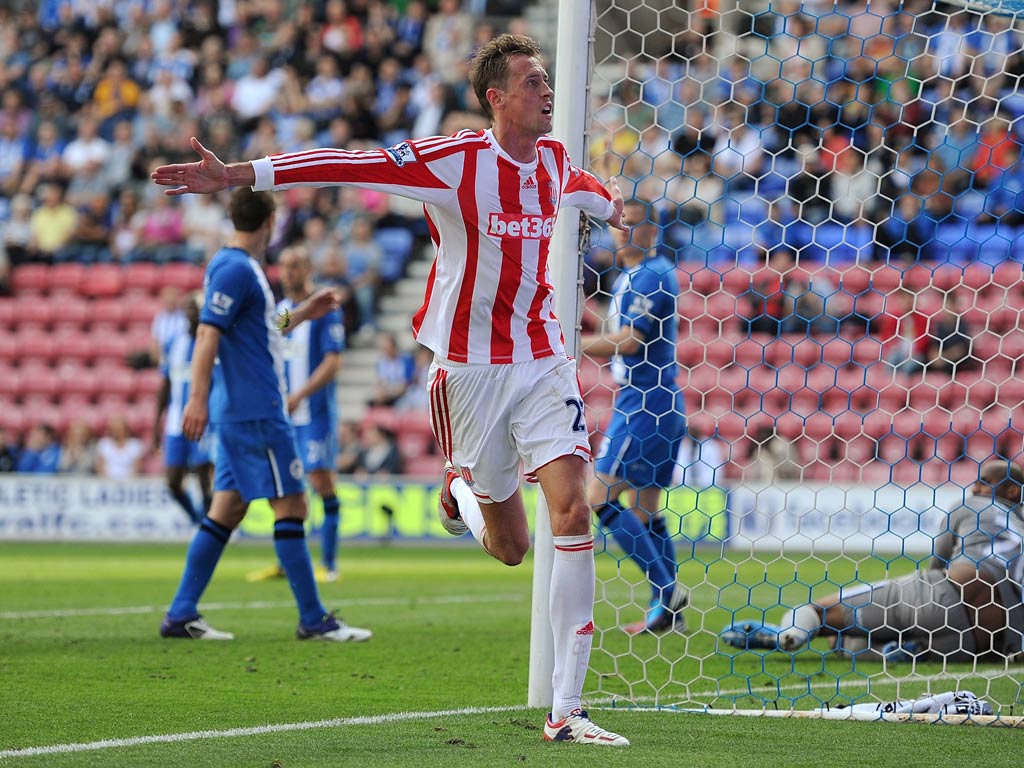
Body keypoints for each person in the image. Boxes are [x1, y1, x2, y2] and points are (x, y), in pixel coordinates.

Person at [152, 34, 627, 744]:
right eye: (532, 81)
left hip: (541, 362)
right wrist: (244, 174)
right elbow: (352, 161)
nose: (548, 90)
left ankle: (568, 710)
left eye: (547, 79)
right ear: (497, 99)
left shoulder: (555, 163)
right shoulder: (456, 162)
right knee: (510, 548)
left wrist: (618, 208)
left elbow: (591, 193)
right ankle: (457, 492)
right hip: (466, 372)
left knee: (573, 514)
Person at [158, 187, 370, 643]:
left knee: (226, 509)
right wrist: (196, 399)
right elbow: (208, 335)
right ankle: (313, 618)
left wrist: (302, 314)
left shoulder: (232, 266)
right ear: (270, 223)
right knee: (293, 503)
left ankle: (180, 613)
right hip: (256, 411)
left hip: (242, 410)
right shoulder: (237, 269)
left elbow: (258, 328)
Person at [722, 460, 1024, 663]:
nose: (975, 488)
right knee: (896, 641)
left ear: (1012, 490)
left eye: (983, 482)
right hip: (989, 643)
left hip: (948, 597)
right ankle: (903, 650)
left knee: (818, 613)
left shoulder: (972, 504)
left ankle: (788, 635)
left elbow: (939, 561)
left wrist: (929, 596)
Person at [580, 199, 687, 636]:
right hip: (658, 402)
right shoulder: (630, 276)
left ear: (651, 232)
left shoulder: (652, 275)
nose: (621, 232)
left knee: (597, 498)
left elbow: (628, 341)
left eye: (631, 226)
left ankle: (666, 588)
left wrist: (570, 346)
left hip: (645, 401)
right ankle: (668, 611)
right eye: (619, 225)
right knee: (644, 510)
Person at [247, 244, 346, 584]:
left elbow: (333, 362)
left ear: (307, 268)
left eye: (295, 264)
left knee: (322, 483)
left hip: (314, 414)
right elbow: (269, 336)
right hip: (284, 415)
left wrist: (300, 395)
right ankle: (286, 561)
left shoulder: (324, 310)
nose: (288, 271)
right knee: (283, 489)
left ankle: (329, 565)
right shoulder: (286, 311)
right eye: (285, 265)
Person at [153, 291, 214, 525]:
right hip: (175, 423)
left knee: (203, 477)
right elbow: (165, 385)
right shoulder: (173, 343)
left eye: (195, 308)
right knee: (172, 481)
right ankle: (198, 521)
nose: (190, 313)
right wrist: (156, 423)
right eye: (187, 309)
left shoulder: (212, 342)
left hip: (204, 421)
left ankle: (209, 529)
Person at [95, 415, 146, 480]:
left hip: (130, 482)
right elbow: (100, 466)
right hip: (107, 481)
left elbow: (138, 467)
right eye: (113, 429)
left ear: (125, 429)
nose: (116, 432)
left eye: (119, 429)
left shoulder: (135, 444)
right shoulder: (104, 443)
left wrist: (129, 480)